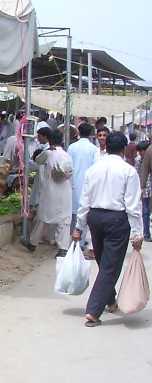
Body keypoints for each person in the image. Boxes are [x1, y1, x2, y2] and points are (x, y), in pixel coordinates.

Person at [73, 131, 143, 327]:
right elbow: (133, 205)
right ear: (124, 149)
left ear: (106, 147)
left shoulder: (93, 169)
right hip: (117, 219)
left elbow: (84, 201)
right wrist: (138, 232)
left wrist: (79, 226)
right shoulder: (128, 171)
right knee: (111, 266)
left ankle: (110, 300)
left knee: (105, 262)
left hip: (95, 218)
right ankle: (93, 311)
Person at [20, 130, 73, 256]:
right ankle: (63, 248)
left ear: (50, 140)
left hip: (50, 192)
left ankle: (32, 243)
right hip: (65, 192)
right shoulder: (67, 155)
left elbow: (38, 160)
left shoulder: (48, 153)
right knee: (64, 221)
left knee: (44, 219)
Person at [67, 123, 98, 255]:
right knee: (84, 213)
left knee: (73, 214)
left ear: (78, 132)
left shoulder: (72, 147)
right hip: (87, 185)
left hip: (72, 183)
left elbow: (67, 165)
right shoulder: (93, 149)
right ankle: (80, 241)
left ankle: (72, 240)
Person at [135, 141, 151, 242]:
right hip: (146, 191)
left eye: (141, 151)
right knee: (145, 212)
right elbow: (137, 172)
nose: (140, 153)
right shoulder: (139, 161)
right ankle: (146, 233)